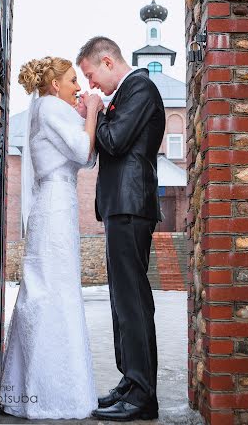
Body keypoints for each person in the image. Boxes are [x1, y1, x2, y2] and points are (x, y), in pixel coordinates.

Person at [0, 56, 103, 420]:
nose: (78, 86)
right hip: (56, 208)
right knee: (55, 293)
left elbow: (85, 160)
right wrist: (91, 110)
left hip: (56, 205)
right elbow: (81, 150)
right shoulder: (49, 107)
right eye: (73, 80)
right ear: (55, 84)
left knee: (49, 290)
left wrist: (83, 117)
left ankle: (29, 389)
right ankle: (51, 395)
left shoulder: (46, 111)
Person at [77, 36, 166, 422]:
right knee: (120, 301)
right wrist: (95, 111)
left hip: (132, 206)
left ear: (109, 62)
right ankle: (130, 382)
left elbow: (112, 142)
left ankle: (144, 396)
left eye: (91, 75)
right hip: (120, 207)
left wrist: (94, 113)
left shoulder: (140, 87)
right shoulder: (126, 94)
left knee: (132, 302)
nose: (91, 85)